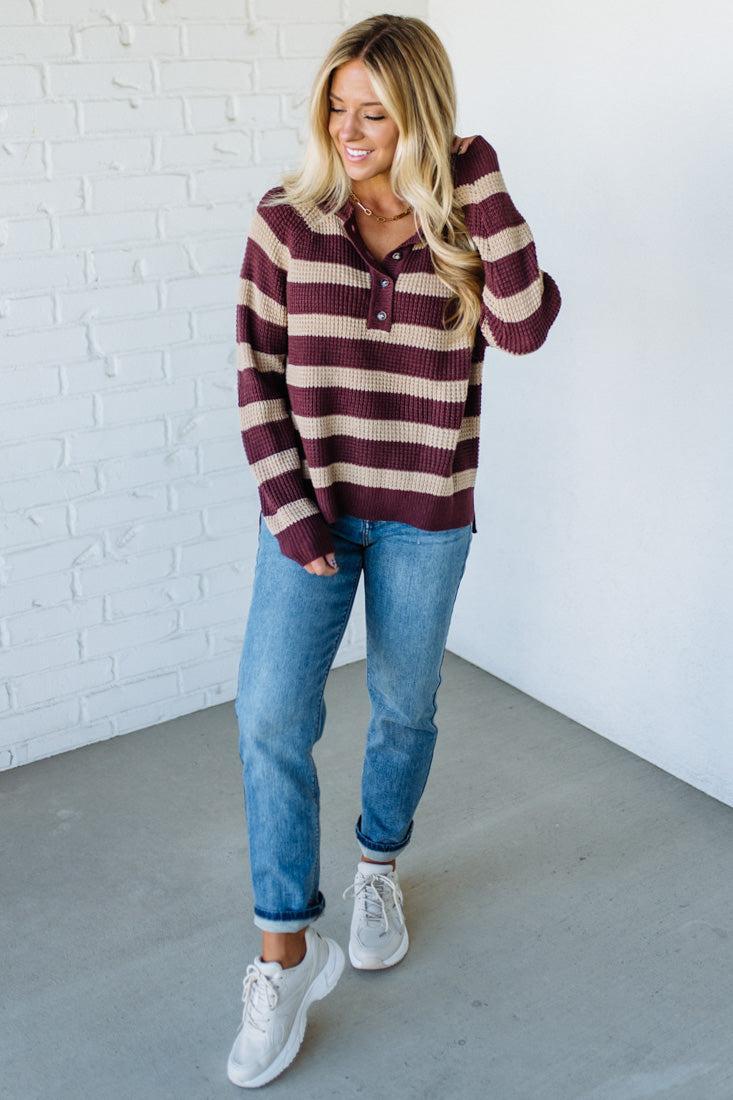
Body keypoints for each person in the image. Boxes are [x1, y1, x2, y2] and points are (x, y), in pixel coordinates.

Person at [228, 12, 561, 1088]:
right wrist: (291, 510)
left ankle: (378, 866)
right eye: (339, 104)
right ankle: (284, 949)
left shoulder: (462, 215)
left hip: (426, 512)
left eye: (377, 109)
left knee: (404, 707)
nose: (351, 127)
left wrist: (476, 170)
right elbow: (255, 373)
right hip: (311, 513)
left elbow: (523, 323)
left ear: (422, 115)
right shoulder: (285, 218)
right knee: (272, 712)